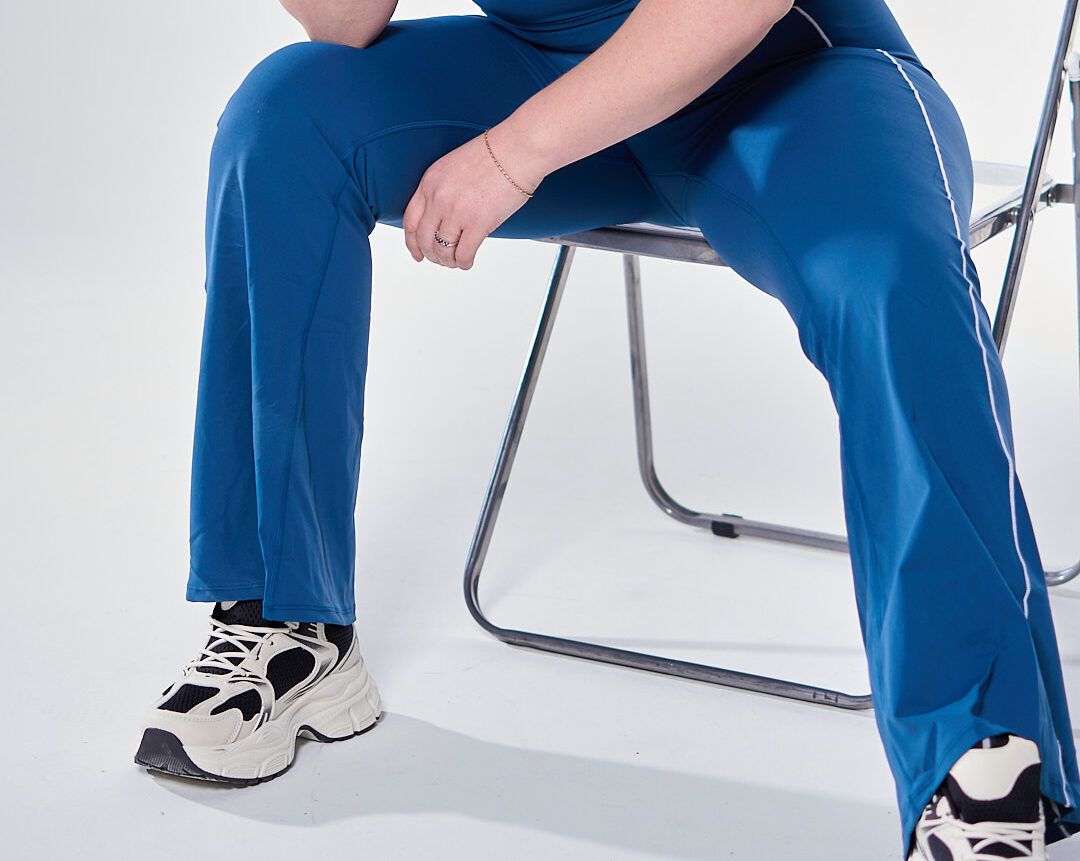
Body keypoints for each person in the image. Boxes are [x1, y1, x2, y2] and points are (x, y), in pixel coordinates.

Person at [132, 1, 1080, 857]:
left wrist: (510, 156)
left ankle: (978, 755)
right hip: (554, 78)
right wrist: (527, 137)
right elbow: (346, 22)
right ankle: (286, 622)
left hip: (794, 81)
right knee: (286, 118)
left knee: (887, 275)